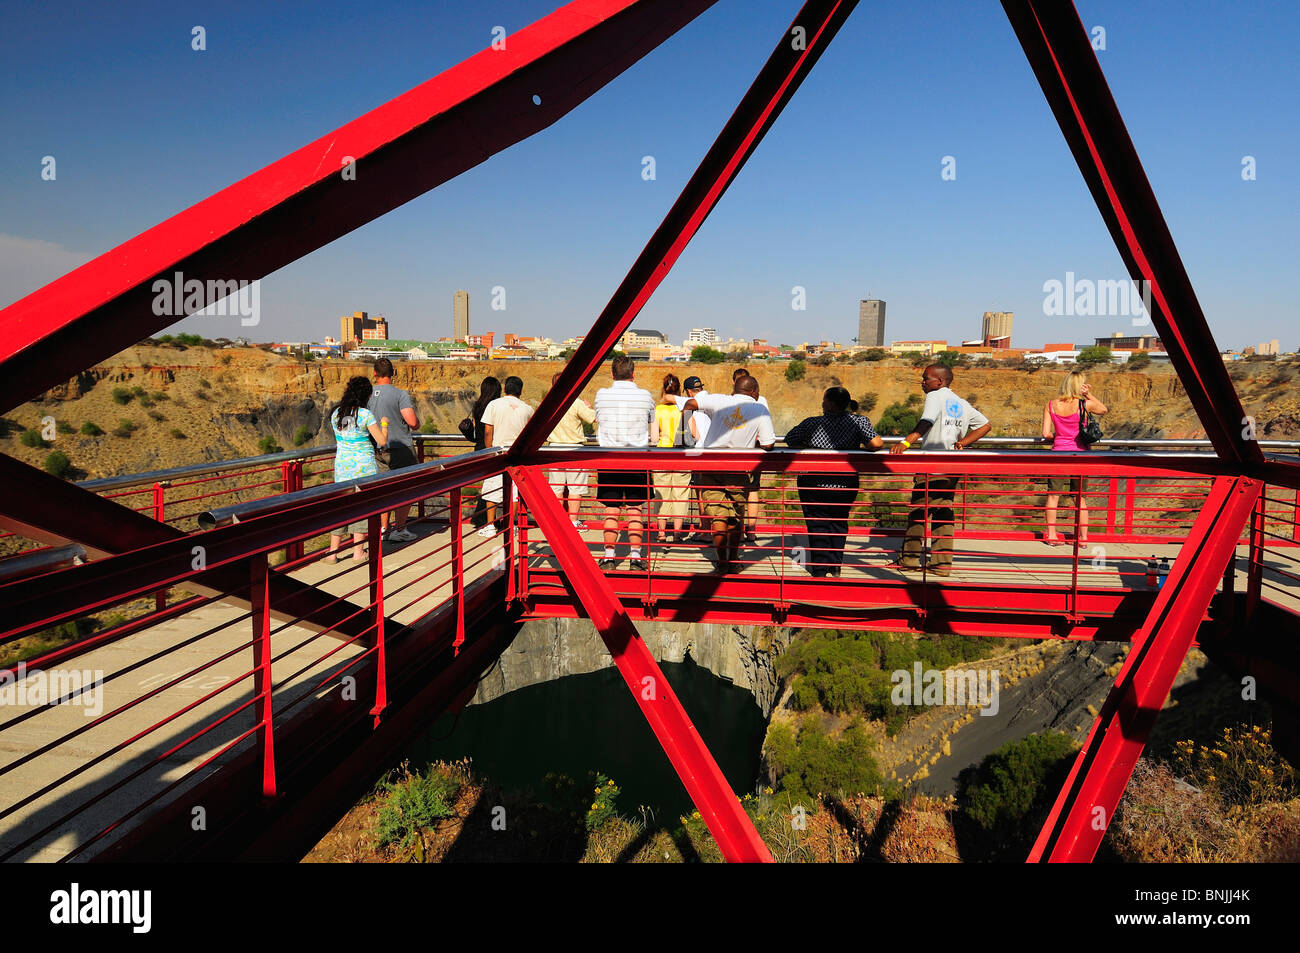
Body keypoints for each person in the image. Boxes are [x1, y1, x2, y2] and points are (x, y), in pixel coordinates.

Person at [888, 364, 991, 576]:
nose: (923, 382)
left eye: (926, 378)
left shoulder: (935, 396)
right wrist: (962, 443)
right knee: (944, 512)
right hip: (953, 466)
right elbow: (985, 425)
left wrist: (906, 443)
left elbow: (926, 421)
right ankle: (941, 564)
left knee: (919, 512)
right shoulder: (961, 403)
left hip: (932, 466)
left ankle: (909, 560)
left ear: (939, 382)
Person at [785, 386, 884, 577]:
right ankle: (835, 566)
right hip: (844, 482)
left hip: (813, 483)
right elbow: (877, 443)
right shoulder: (859, 421)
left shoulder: (812, 423)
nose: (822, 403)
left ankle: (820, 570)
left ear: (830, 403)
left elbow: (790, 439)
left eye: (824, 400)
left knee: (817, 524)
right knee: (839, 522)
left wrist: (808, 446)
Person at [682, 375, 776, 573]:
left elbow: (690, 402)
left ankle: (721, 561)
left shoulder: (719, 399)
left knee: (718, 516)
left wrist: (685, 427)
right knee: (735, 516)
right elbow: (768, 444)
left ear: (735, 390)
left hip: (711, 466)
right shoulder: (760, 409)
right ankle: (733, 560)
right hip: (738, 468)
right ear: (755, 392)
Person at [593, 355, 658, 570]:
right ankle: (636, 558)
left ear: (612, 374)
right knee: (635, 510)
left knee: (611, 510)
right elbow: (653, 429)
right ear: (634, 374)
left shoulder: (601, 395)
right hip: (637, 460)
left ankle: (609, 556)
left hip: (609, 459)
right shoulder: (646, 396)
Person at [1042, 370, 1108, 545]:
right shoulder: (1084, 404)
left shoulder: (1051, 405)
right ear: (1079, 386)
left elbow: (1046, 433)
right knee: (1080, 498)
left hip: (1058, 454)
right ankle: (1083, 538)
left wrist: (1060, 436)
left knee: (1053, 495)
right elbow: (1103, 409)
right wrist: (1088, 394)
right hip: (1080, 455)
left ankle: (1052, 535)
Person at [326, 376, 387, 562]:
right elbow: (381, 441)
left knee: (342, 508)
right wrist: (384, 424)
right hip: (363, 468)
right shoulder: (365, 415)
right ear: (366, 395)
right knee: (361, 507)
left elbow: (347, 435)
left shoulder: (337, 413)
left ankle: (332, 553)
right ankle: (358, 552)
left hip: (343, 467)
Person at [368, 358, 420, 542]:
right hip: (400, 448)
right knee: (406, 488)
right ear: (393, 373)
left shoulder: (367, 395)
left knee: (383, 490)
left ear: (374, 373)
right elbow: (412, 422)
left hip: (376, 450)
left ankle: (384, 529)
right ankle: (400, 529)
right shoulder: (400, 394)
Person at [478, 376, 534, 538]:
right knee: (515, 491)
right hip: (517, 455)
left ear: (505, 389)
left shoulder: (494, 405)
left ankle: (490, 525)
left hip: (498, 451)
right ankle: (510, 524)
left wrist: (489, 450)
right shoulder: (527, 409)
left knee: (492, 489)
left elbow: (488, 430)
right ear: (521, 391)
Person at [545, 371, 597, 529]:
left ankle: (558, 522)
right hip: (574, 449)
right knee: (576, 488)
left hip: (554, 448)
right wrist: (590, 407)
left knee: (556, 488)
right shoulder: (576, 402)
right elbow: (594, 418)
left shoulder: (549, 403)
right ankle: (573, 522)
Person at [732, 367, 769, 546]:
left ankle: (737, 533)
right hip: (755, 451)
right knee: (752, 490)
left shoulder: (730, 400)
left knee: (736, 492)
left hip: (735, 453)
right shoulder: (761, 401)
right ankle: (751, 533)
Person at [653, 373, 691, 543]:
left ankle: (661, 533)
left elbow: (654, 438)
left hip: (662, 455)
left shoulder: (657, 410)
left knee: (662, 494)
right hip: (682, 456)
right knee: (680, 494)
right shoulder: (685, 409)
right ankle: (676, 533)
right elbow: (692, 434)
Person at [465, 376, 502, 527]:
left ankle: (482, 517)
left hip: (479, 448)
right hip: (491, 448)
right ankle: (482, 518)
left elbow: (477, 428)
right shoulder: (494, 406)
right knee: (494, 485)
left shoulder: (477, 406)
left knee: (490, 484)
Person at [677, 375, 710, 538]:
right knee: (712, 493)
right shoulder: (712, 402)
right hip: (714, 454)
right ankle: (710, 528)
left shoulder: (690, 406)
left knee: (701, 494)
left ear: (689, 392)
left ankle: (705, 530)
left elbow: (694, 435)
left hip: (699, 455)